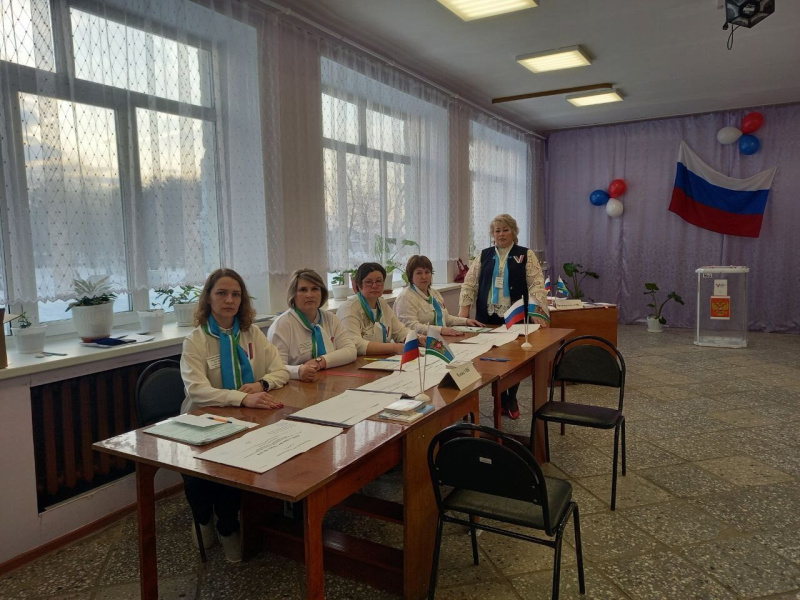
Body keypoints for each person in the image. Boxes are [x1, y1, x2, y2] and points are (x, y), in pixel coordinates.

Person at [180, 268, 290, 562]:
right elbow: (197, 391)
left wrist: (262, 384)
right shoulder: (195, 340)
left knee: (235, 472)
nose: (229, 300)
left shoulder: (252, 333)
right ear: (208, 298)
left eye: (236, 294)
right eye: (222, 293)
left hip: (247, 418)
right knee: (199, 478)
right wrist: (241, 397)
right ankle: (203, 518)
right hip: (200, 421)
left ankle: (228, 527)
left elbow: (280, 370)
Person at [458, 214, 549, 420]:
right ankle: (500, 398)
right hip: (487, 316)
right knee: (491, 359)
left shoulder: (525, 254)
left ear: (513, 232)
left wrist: (537, 312)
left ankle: (512, 397)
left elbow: (536, 284)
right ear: (492, 234)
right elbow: (470, 283)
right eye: (497, 231)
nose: (500, 234)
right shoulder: (484, 255)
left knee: (514, 359)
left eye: (505, 230)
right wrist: (464, 310)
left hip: (515, 316)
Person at [267, 268, 357, 381]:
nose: (309, 295)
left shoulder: (330, 318)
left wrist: (321, 361)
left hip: (328, 380)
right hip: (295, 385)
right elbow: (275, 368)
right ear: (293, 295)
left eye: (315, 289)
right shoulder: (282, 325)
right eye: (303, 290)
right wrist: (298, 371)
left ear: (322, 293)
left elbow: (350, 350)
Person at [394, 254, 484, 336]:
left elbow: (446, 318)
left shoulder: (434, 293)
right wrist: (440, 330)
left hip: (441, 339)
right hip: (419, 342)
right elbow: (411, 326)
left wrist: (466, 321)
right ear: (410, 276)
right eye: (419, 273)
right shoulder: (405, 298)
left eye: (427, 272)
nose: (424, 277)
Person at [337, 262, 413, 356]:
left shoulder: (382, 303)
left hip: (382, 358)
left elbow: (400, 331)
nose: (374, 286)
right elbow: (355, 344)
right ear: (359, 285)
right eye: (368, 282)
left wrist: (416, 338)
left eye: (379, 281)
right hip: (358, 361)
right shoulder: (348, 308)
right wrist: (394, 347)